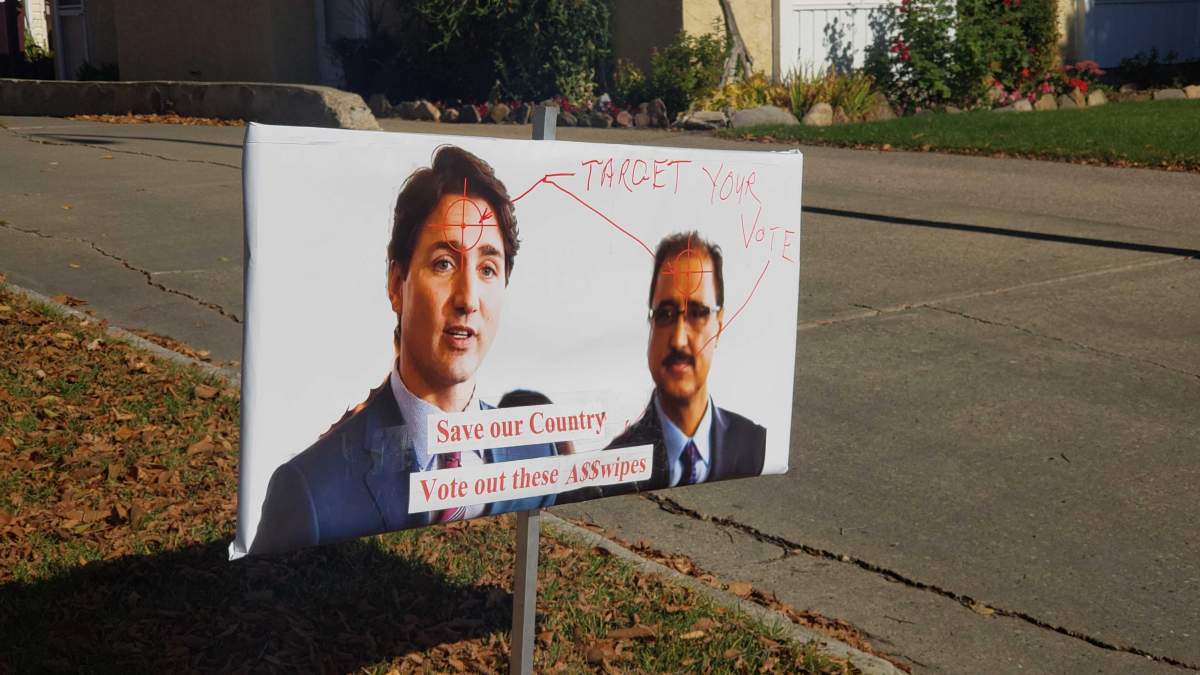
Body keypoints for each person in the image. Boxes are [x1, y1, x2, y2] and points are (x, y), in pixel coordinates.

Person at [249, 146, 556, 556]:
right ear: (397, 284)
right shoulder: (309, 489)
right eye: (444, 264)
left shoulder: (536, 452)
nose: (468, 299)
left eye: (487, 269)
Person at [605, 231, 766, 495]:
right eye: (665, 315)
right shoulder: (615, 463)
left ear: (720, 324)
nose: (679, 339)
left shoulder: (754, 444)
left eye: (697, 313)